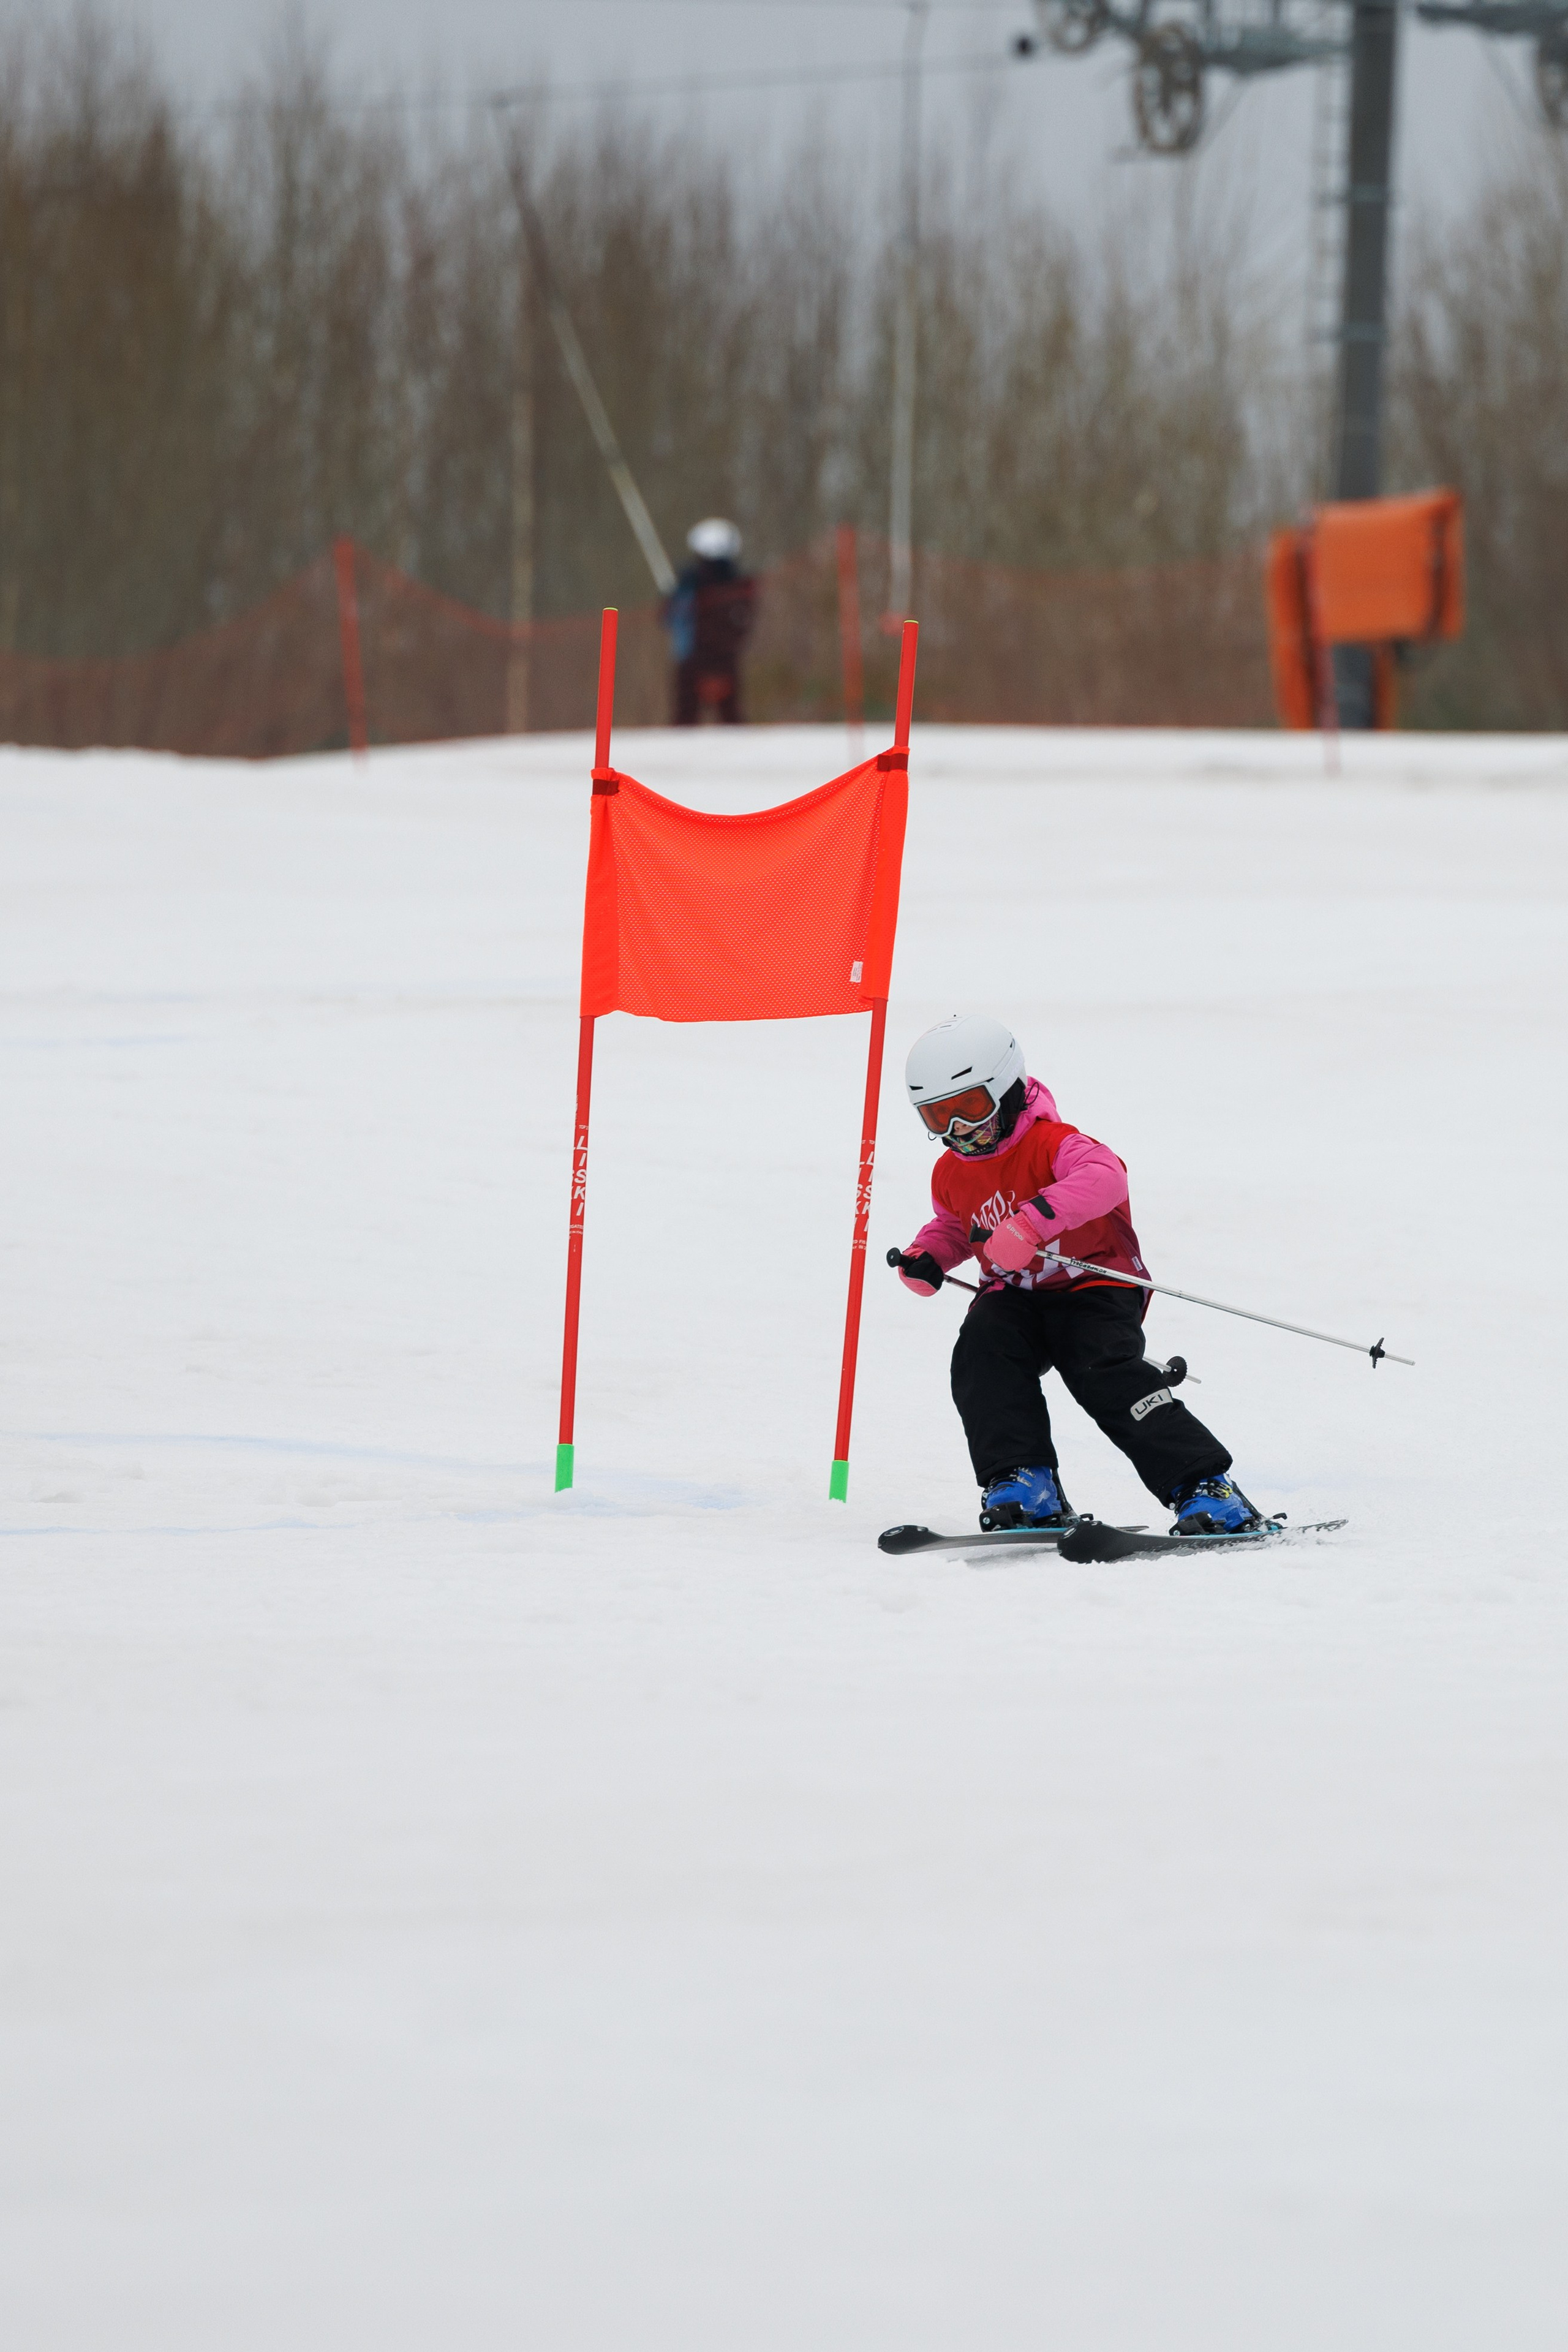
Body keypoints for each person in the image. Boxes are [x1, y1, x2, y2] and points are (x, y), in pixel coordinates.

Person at [888, 1012, 1259, 1535]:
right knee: (982, 1352)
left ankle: (1206, 1487)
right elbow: (956, 1224)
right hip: (1014, 1294)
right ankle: (1025, 1483)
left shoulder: (1054, 1143)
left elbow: (1106, 1177)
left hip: (1095, 1285)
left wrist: (1031, 1223)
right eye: (937, 1116)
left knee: (1101, 1369)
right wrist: (930, 1255)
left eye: (970, 1107)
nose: (958, 1129)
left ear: (1007, 1089)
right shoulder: (950, 1171)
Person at [662, 518, 756, 725]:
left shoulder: (697, 587)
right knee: (722, 721)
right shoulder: (739, 588)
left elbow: (669, 617)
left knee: (696, 721)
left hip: (701, 662)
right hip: (710, 662)